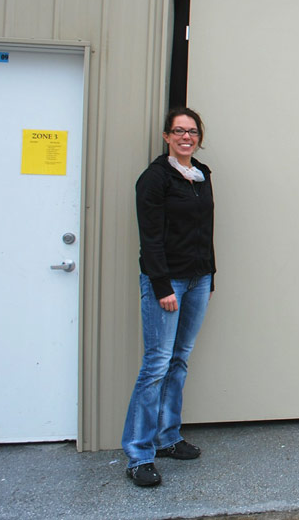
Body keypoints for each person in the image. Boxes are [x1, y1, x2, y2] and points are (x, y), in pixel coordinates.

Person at [122, 107, 216, 487]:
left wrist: (209, 275)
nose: (185, 137)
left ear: (199, 137)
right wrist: (162, 286)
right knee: (156, 365)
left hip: (198, 280)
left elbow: (205, 229)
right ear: (166, 137)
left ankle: (168, 438)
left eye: (192, 131)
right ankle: (138, 454)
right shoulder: (155, 178)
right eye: (178, 131)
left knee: (179, 360)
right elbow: (150, 237)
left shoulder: (202, 175)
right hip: (167, 282)